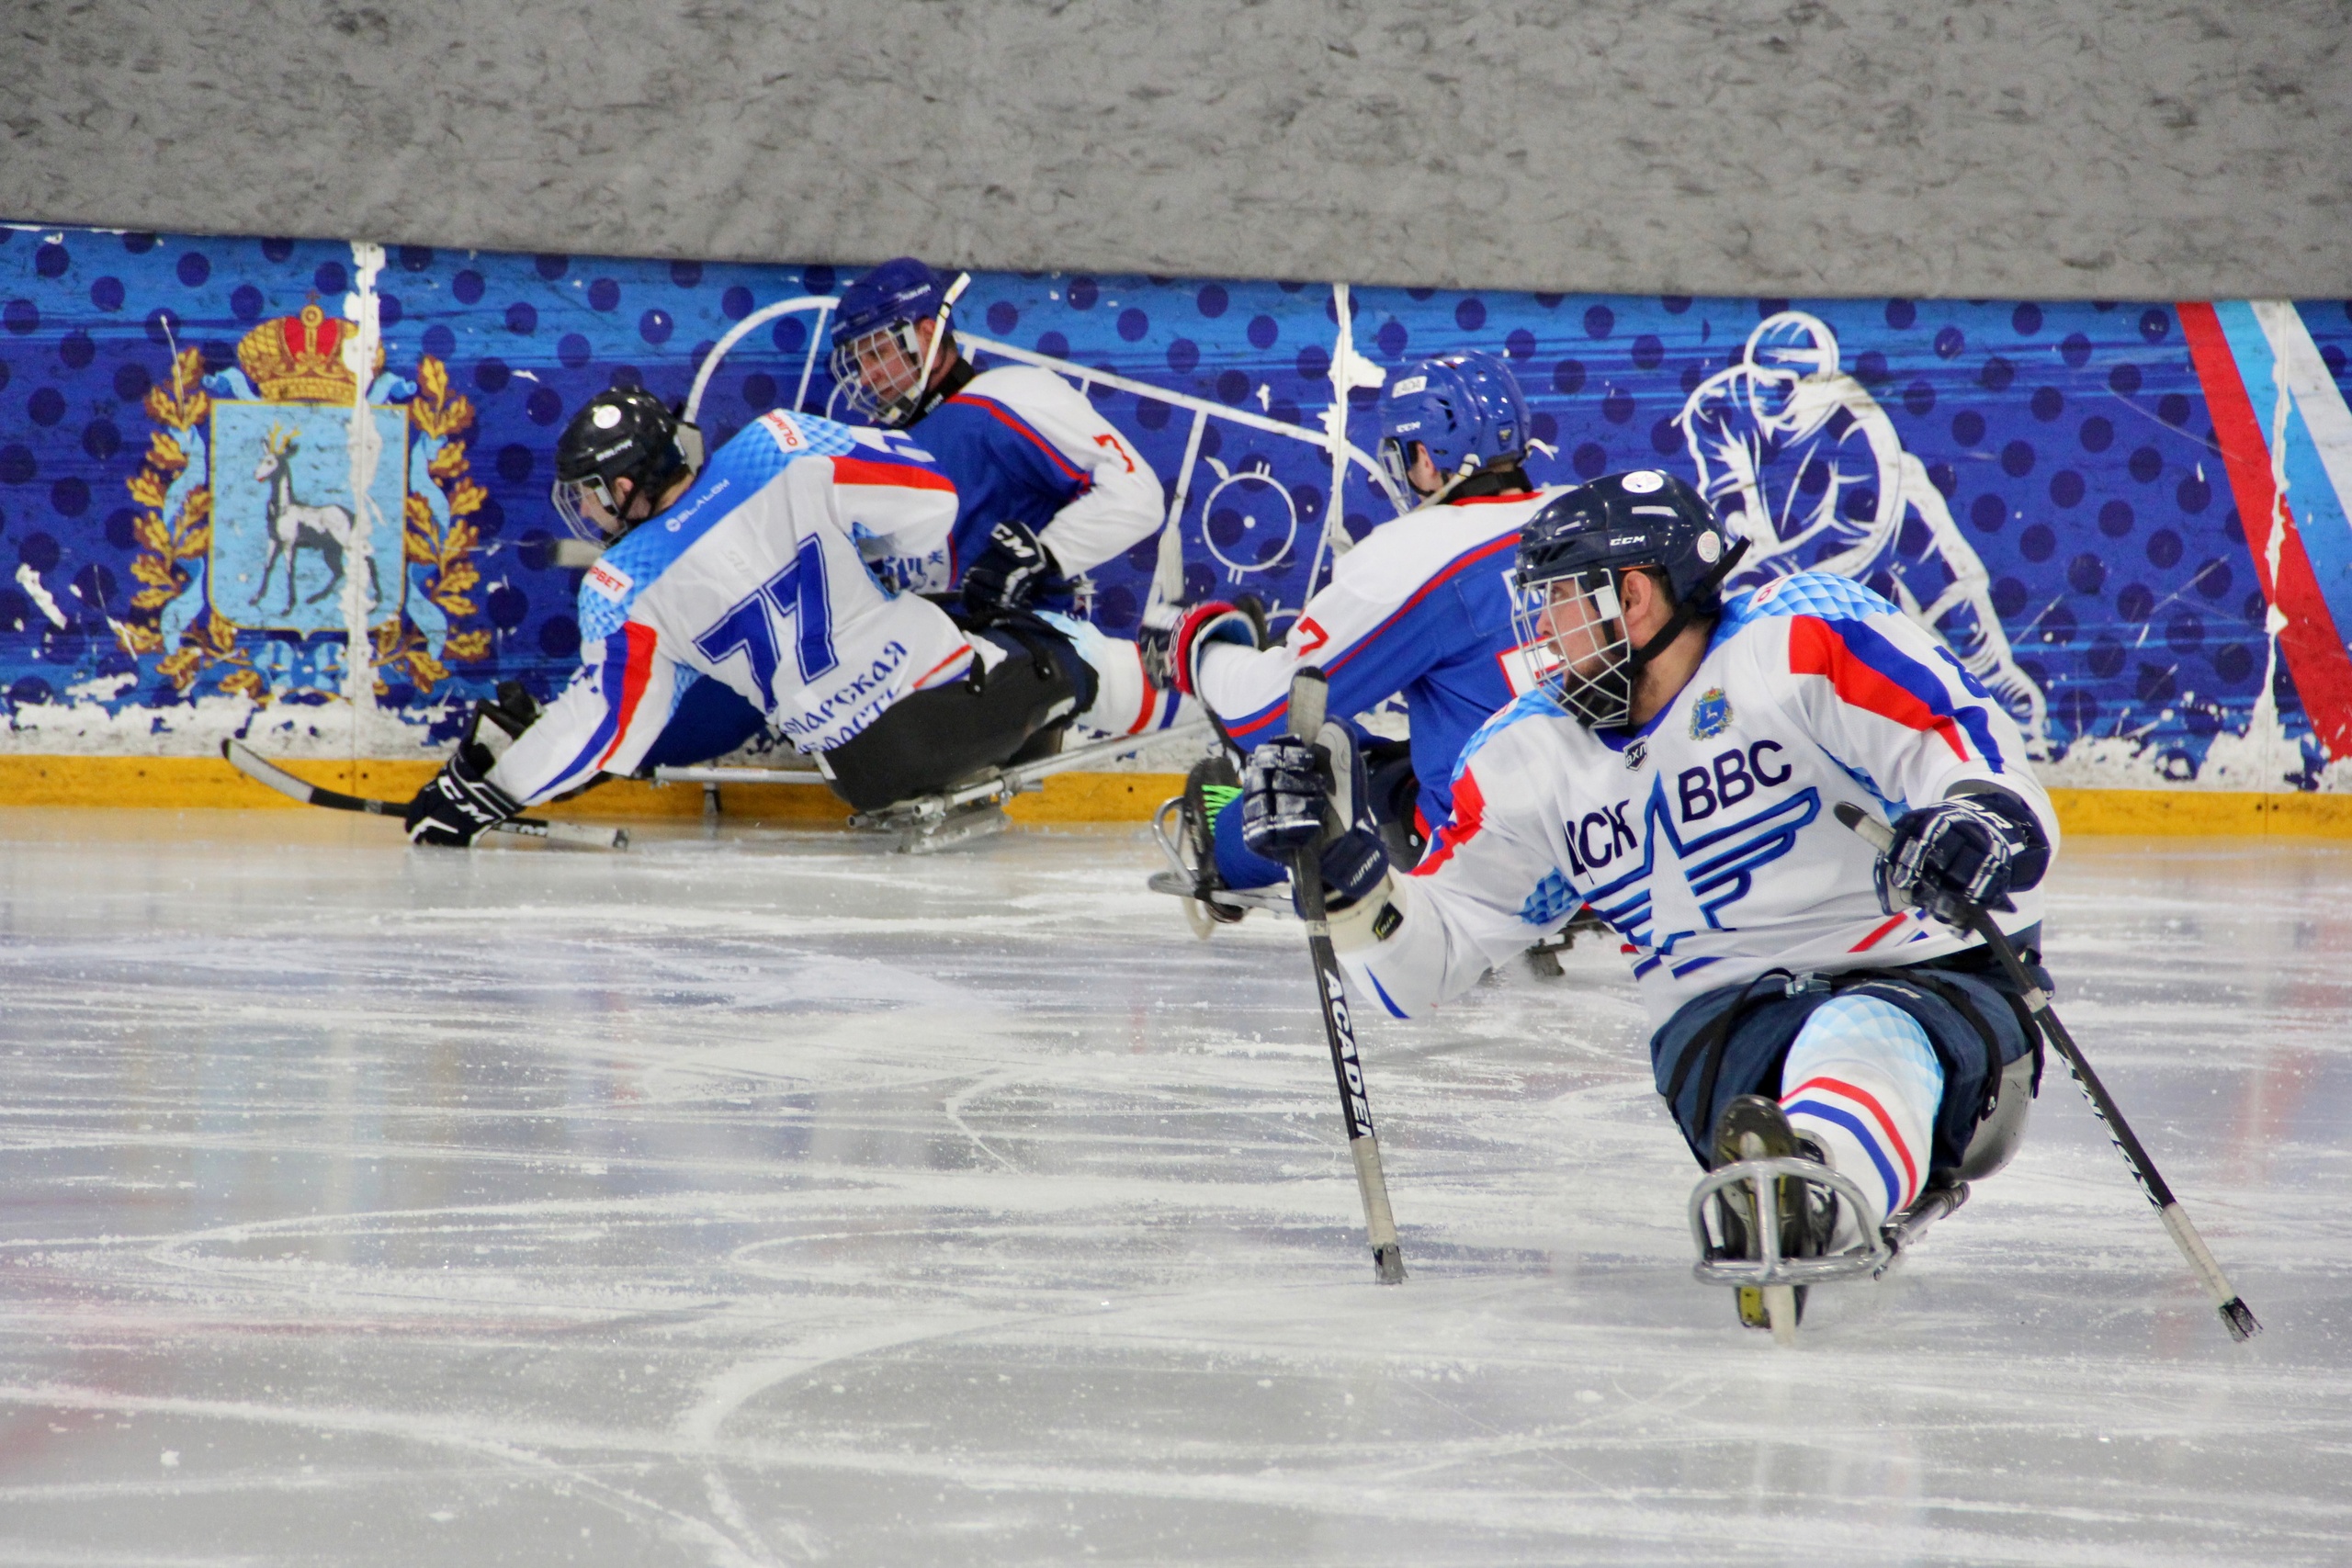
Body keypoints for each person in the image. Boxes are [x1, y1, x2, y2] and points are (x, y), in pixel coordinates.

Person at [1239, 468, 2056, 1329]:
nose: (1540, 634)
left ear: (1632, 598)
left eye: (1557, 602)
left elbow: (1977, 761)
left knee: (1862, 1030)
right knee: (1802, 1045)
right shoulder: (1525, 758)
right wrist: (1344, 877)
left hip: (1932, 974)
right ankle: (1792, 1183)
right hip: (1724, 1030)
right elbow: (1421, 968)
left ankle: (1812, 1184)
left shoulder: (1803, 642)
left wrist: (1978, 823)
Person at [402, 391, 1147, 844]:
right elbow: (935, 504)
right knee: (1052, 635)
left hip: (860, 770)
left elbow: (606, 729)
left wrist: (488, 795)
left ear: (628, 483)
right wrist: (867, 542)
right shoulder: (776, 447)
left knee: (961, 629)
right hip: (941, 704)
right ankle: (1181, 676)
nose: (590, 510)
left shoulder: (620, 582)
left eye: (592, 492)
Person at [1144, 350, 1564, 922]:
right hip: (1613, 824)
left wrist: (1199, 649)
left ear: (1423, 455)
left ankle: (1227, 849)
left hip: (1493, 855)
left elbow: (1269, 712)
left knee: (1330, 760)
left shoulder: (1419, 555)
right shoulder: (1588, 515)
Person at [828, 257, 1168, 627]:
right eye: (859, 362)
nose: (865, 378)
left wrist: (1044, 557)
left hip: (1026, 656)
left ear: (926, 335)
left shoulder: (1005, 397)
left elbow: (1136, 493)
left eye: (877, 353)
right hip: (929, 666)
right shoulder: (881, 446)